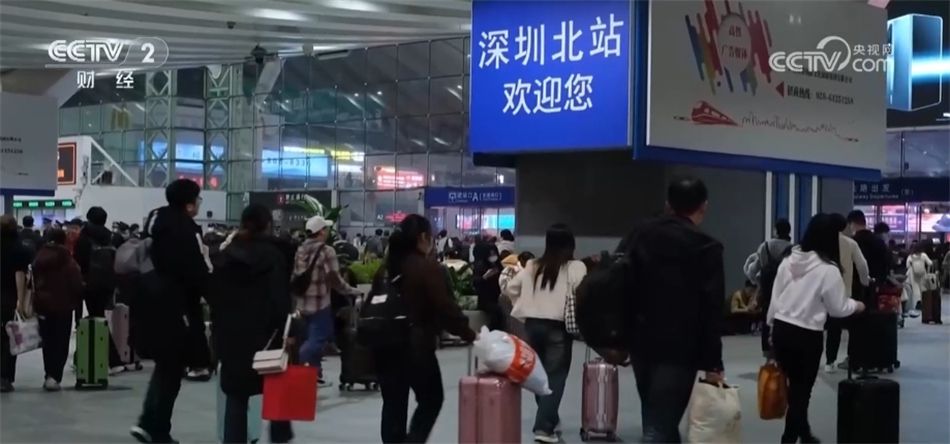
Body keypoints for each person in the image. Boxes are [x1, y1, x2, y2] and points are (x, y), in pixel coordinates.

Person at [623, 178, 725, 443]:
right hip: (681, 348)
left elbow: (618, 279)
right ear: (703, 207)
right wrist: (713, 361)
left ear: (668, 204)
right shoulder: (707, 247)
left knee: (656, 415)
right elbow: (712, 309)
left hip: (640, 340)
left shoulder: (639, 234)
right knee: (660, 424)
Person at [371, 214, 475, 443]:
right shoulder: (426, 267)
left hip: (383, 344)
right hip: (414, 346)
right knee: (431, 398)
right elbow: (444, 306)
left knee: (393, 403)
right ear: (423, 237)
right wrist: (467, 332)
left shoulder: (385, 269)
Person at [767, 213, 865, 444]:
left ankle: (801, 436)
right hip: (806, 335)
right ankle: (793, 438)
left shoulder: (789, 260)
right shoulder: (828, 269)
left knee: (794, 389)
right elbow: (838, 308)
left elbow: (775, 298)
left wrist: (770, 330)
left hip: (781, 330)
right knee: (801, 393)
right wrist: (857, 305)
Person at [131, 179, 209, 444]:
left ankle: (147, 423)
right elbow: (197, 272)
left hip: (150, 302)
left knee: (165, 367)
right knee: (172, 369)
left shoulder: (155, 223)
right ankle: (157, 429)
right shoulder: (186, 230)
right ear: (189, 204)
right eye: (197, 199)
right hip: (178, 307)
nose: (198, 204)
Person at [209, 204, 294, 444]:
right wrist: (287, 330)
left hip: (232, 337)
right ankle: (279, 439)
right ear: (267, 225)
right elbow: (279, 299)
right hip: (267, 336)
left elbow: (216, 297)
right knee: (276, 389)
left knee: (236, 397)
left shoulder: (226, 256)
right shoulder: (274, 255)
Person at [502, 223, 586, 443]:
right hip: (558, 329)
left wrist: (523, 304)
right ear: (571, 244)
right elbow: (582, 293)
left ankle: (550, 417)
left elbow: (510, 288)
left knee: (539, 375)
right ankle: (544, 428)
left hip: (532, 327)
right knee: (555, 376)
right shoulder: (576, 267)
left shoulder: (532, 265)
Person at [292, 215, 360, 386]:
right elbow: (335, 279)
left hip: (301, 304)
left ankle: (315, 375)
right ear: (321, 231)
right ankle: (301, 359)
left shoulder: (300, 249)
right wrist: (351, 290)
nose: (328, 231)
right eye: (326, 228)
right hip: (320, 303)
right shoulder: (327, 251)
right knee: (316, 341)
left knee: (309, 337)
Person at [73, 207, 125, 373]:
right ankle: (84, 357)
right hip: (108, 284)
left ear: (89, 218)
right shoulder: (110, 237)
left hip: (91, 284)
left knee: (96, 319)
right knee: (97, 318)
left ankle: (112, 361)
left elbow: (79, 262)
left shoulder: (84, 237)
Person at [32, 229, 85, 391]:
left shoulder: (39, 256)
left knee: (47, 342)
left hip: (42, 305)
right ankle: (54, 377)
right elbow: (76, 281)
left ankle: (48, 373)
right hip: (63, 305)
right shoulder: (66, 258)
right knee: (61, 341)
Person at [824, 213, 870, 373]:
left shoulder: (822, 243)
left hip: (824, 293)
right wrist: (865, 281)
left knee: (831, 329)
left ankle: (829, 361)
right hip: (845, 292)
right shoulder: (850, 243)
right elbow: (862, 265)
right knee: (852, 327)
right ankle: (852, 358)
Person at [1, 215, 32, 393]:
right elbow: (19, 276)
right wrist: (20, 300)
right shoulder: (19, 249)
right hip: (8, 297)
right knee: (9, 337)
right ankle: (5, 377)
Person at [472, 242, 504, 331]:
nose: (493, 256)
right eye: (491, 254)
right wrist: (485, 277)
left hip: (497, 296)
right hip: (485, 299)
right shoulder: (480, 265)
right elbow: (475, 282)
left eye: (494, 254)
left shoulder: (498, 265)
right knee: (497, 313)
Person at [906, 243, 933, 317]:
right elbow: (930, 263)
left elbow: (907, 266)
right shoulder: (923, 255)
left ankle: (918, 302)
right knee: (922, 288)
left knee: (915, 289)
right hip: (922, 274)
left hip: (913, 275)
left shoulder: (910, 256)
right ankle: (923, 302)